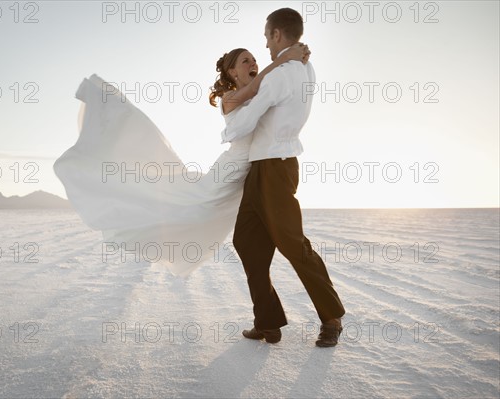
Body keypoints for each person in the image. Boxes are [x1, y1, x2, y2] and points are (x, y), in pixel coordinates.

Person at [54, 44, 309, 277]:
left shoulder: (258, 94)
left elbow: (270, 89)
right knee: (191, 206)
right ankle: (131, 217)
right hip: (231, 170)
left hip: (250, 171)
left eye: (254, 60)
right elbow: (257, 87)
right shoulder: (229, 99)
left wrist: (294, 61)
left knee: (201, 211)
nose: (253, 64)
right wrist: (285, 57)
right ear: (232, 72)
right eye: (246, 61)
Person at [221, 8, 346, 347]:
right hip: (262, 168)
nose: (264, 45)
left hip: (275, 167)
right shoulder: (305, 67)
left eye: (265, 37)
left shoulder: (281, 74)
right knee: (247, 241)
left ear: (277, 34)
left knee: (292, 244)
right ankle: (268, 321)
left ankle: (331, 318)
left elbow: (246, 121)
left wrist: (229, 128)